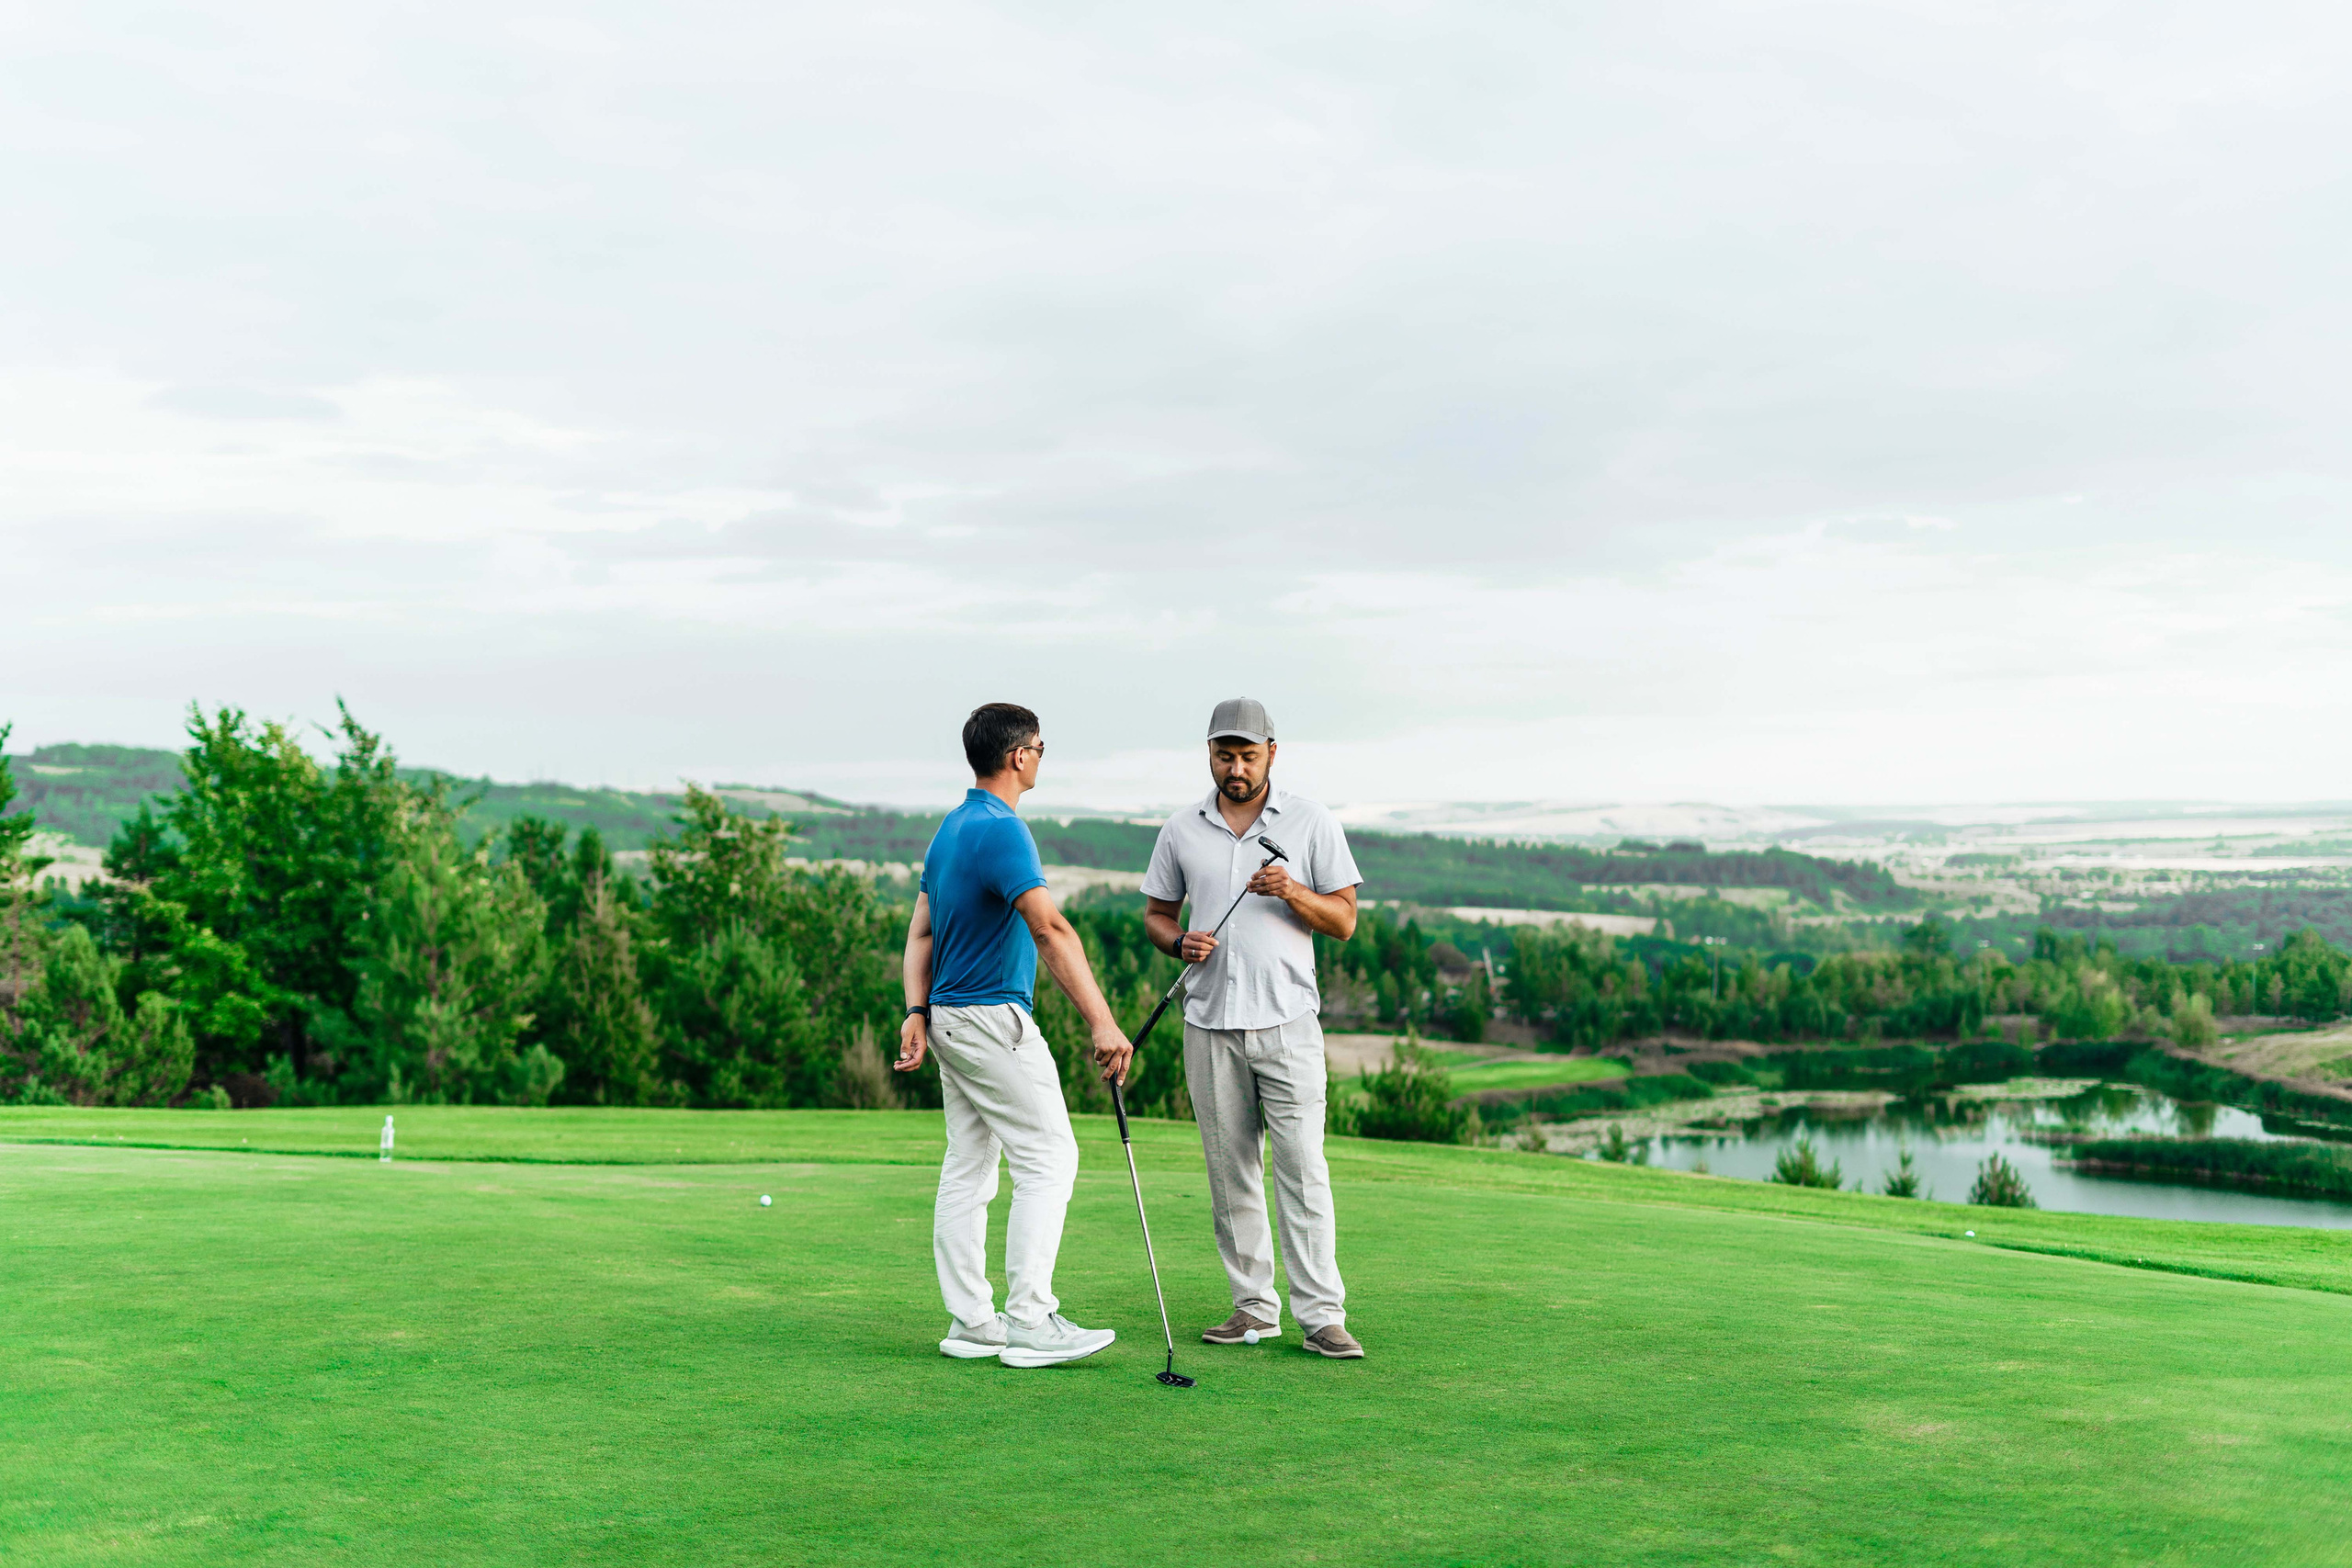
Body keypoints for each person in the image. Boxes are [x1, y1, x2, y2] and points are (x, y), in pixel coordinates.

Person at [894, 702, 1135, 1368]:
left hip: (949, 1016)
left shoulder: (951, 829)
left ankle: (974, 1321)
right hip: (992, 1018)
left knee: (969, 1164)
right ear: (1020, 755)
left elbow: (920, 932)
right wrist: (1103, 1021)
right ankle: (1030, 1318)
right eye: (1040, 747)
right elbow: (1050, 928)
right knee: (1049, 1157)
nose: (1040, 757)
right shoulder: (1003, 831)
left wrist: (916, 1010)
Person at [1140, 698, 1366, 1359]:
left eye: (1246, 755)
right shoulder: (1182, 828)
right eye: (1223, 755)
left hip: (1289, 1025)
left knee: (1303, 1169)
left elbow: (1345, 920)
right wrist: (1178, 941)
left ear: (1272, 750)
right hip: (1209, 1024)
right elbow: (1156, 915)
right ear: (1209, 754)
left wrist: (1292, 891)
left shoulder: (1310, 820)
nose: (1235, 768)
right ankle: (1253, 1309)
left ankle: (1322, 1315)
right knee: (1229, 1172)